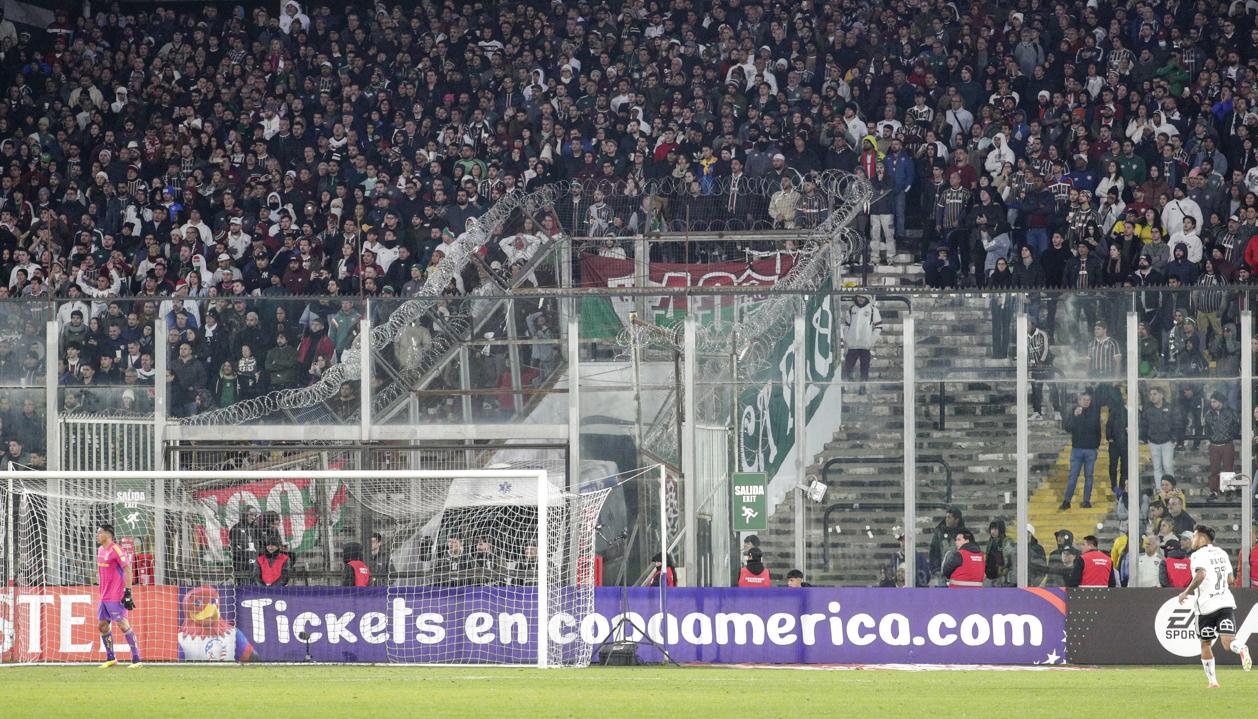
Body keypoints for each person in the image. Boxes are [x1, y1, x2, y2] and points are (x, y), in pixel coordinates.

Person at [1177, 524, 1253, 686]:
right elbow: (1230, 580)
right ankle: (1240, 648)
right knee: (1228, 642)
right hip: (1225, 603)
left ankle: (1213, 682)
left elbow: (1201, 574)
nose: (1192, 540)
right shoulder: (1222, 553)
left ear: (1202, 538)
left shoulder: (1197, 555)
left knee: (1205, 643)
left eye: (1194, 536)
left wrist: (1187, 591)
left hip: (1205, 607)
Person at [95, 523, 141, 669]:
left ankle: (136, 659)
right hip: (104, 596)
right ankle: (111, 658)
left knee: (122, 624)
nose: (97, 535)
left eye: (99, 532)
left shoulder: (116, 550)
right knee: (102, 625)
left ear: (108, 534)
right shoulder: (100, 550)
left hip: (116, 595)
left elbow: (127, 569)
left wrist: (128, 592)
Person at [1061, 390, 1101, 509]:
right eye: (1084, 400)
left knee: (1089, 476)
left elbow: (1098, 431)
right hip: (1077, 449)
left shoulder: (1094, 413)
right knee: (1073, 476)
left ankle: (1086, 501)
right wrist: (1075, 416)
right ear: (1079, 401)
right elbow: (1068, 428)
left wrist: (1096, 446)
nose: (1086, 402)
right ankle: (1067, 501)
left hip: (1090, 450)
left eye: (1088, 400)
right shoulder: (1074, 412)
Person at [1203, 392, 1239, 501]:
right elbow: (1207, 428)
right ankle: (1214, 491)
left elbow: (1236, 425)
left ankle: (1228, 491)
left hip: (1227, 443)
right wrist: (1210, 438)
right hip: (1214, 445)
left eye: (1214, 401)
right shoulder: (1209, 414)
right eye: (1211, 402)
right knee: (1214, 469)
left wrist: (1230, 435)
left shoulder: (1230, 412)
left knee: (1228, 468)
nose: (1212, 404)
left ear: (1220, 401)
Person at [842, 294, 882, 391]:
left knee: (864, 368)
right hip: (853, 345)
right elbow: (847, 325)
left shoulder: (872, 310)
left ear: (867, 298)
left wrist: (871, 341)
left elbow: (879, 327)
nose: (860, 299)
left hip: (865, 346)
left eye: (863, 297)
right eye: (859, 297)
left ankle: (862, 387)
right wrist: (847, 338)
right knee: (847, 367)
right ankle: (844, 386)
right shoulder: (852, 309)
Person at [228, 506, 262, 585]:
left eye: (255, 515)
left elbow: (261, 545)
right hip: (242, 564)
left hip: (255, 564)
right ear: (245, 514)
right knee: (244, 586)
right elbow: (234, 548)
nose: (253, 517)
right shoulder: (236, 528)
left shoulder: (256, 528)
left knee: (256, 587)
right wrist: (245, 552)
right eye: (251, 514)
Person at [928, 506, 966, 576]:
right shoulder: (939, 533)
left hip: (959, 574)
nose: (946, 520)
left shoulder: (964, 534)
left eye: (949, 517)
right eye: (946, 517)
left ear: (956, 520)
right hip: (942, 574)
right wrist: (936, 570)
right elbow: (933, 552)